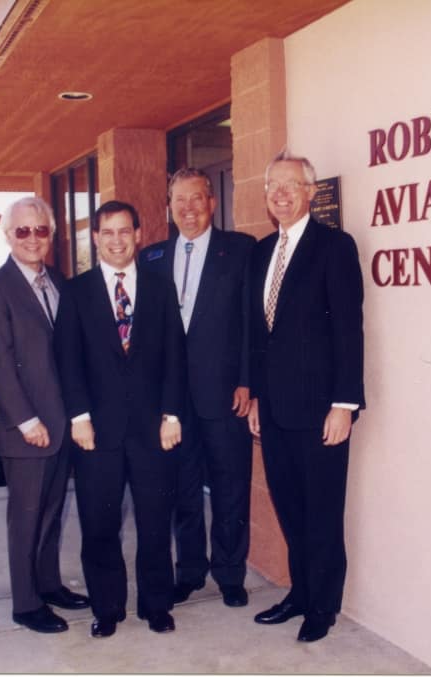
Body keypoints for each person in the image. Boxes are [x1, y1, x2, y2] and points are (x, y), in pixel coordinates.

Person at [53, 200, 186, 638]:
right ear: (95, 238)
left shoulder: (160, 287)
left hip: (152, 430)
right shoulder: (75, 292)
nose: (116, 240)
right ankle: (106, 608)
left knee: (154, 521)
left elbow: (175, 357)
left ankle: (157, 606)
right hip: (97, 432)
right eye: (107, 232)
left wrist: (171, 414)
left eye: (124, 231)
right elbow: (68, 361)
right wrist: (79, 417)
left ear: (138, 233)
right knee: (99, 524)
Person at [247, 151, 365, 643]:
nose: (280, 192)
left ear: (310, 192)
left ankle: (323, 607)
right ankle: (300, 593)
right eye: (273, 185)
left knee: (321, 510)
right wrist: (254, 397)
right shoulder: (261, 252)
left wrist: (345, 403)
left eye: (290, 185)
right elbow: (258, 333)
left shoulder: (334, 247)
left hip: (321, 410)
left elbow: (348, 330)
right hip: (273, 410)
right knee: (290, 506)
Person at [138, 168, 254, 608]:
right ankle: (189, 571)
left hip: (225, 392)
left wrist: (246, 379)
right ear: (169, 208)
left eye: (196, 199)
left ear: (212, 202)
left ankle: (229, 573)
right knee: (182, 487)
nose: (188, 209)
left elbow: (250, 323)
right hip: (170, 399)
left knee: (230, 484)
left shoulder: (241, 250)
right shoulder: (150, 258)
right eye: (179, 201)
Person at [0, 197, 89, 634]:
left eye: (40, 230)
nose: (31, 239)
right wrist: (27, 421)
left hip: (61, 423)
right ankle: (25, 604)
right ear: (8, 236)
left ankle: (48, 585)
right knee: (26, 517)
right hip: (28, 428)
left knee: (51, 511)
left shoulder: (58, 281)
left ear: (52, 234)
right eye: (22, 231)